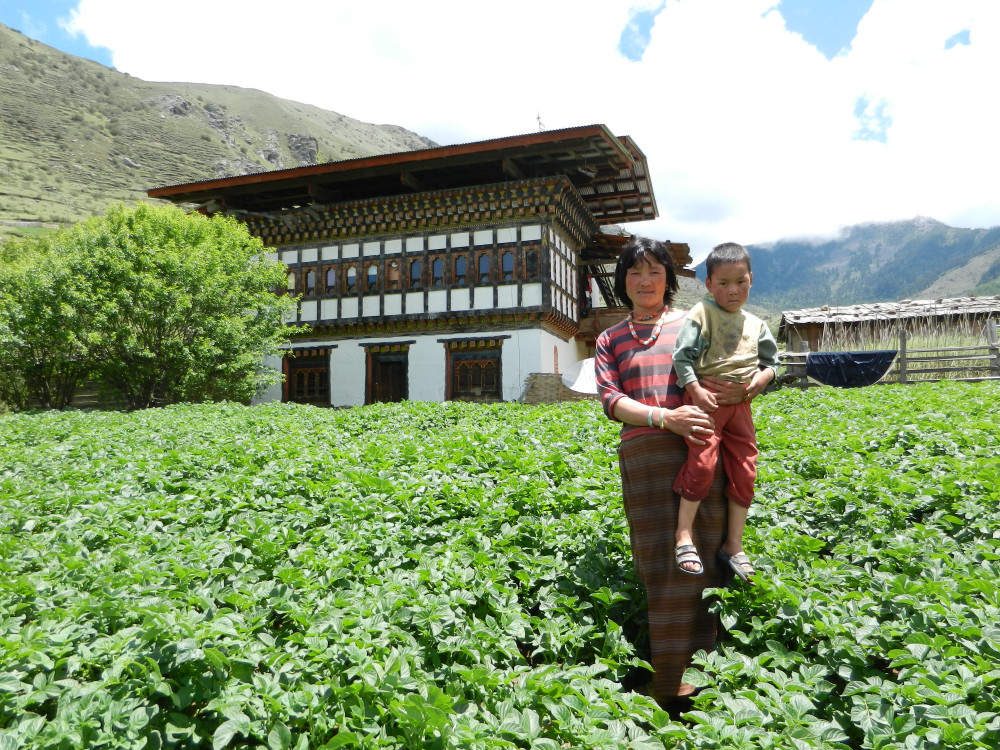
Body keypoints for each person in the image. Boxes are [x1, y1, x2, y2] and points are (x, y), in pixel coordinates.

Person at [594, 236, 748, 705]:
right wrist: (665, 417)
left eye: (654, 272)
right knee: (661, 566)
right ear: (623, 281)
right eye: (635, 272)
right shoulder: (609, 338)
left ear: (669, 280)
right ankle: (667, 688)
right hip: (645, 460)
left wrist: (734, 390)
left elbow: (735, 368)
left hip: (700, 454)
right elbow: (611, 400)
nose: (645, 281)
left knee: (705, 563)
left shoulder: (694, 324)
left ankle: (703, 684)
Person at [671, 243, 778, 582]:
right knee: (703, 463)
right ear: (708, 284)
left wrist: (759, 381)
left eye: (741, 282)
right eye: (723, 283)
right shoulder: (700, 314)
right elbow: (682, 357)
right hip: (709, 404)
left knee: (746, 471)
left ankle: (734, 544)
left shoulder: (757, 324)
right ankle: (684, 534)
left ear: (751, 280)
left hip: (742, 407)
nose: (733, 291)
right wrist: (696, 389)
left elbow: (773, 363)